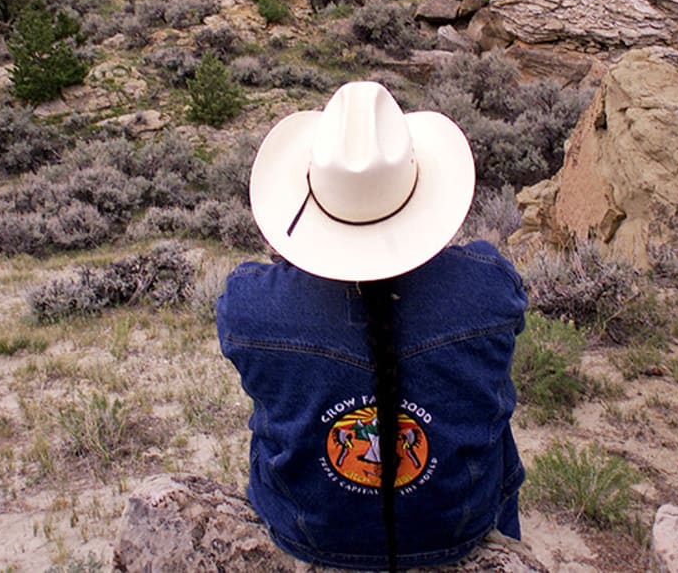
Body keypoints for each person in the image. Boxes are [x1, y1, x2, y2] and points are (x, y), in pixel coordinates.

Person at [216, 81, 527, 571]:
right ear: (419, 189)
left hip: (310, 535)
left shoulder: (250, 304)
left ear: (309, 194)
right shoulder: (488, 287)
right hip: (457, 529)